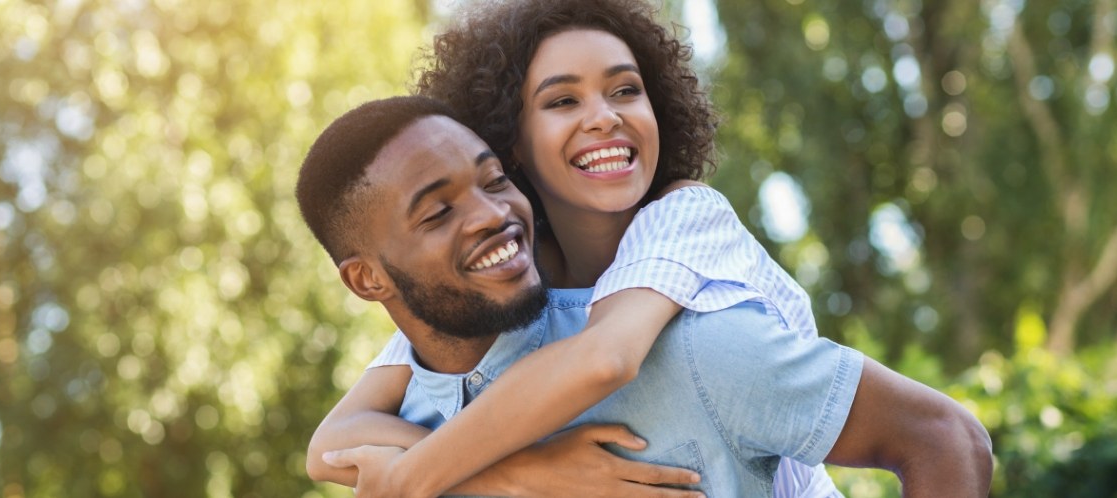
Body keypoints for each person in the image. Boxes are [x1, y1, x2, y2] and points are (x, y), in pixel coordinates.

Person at [306, 0, 992, 496]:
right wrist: (521, 473)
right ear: (512, 139)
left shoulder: (683, 227)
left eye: (625, 89)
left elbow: (604, 358)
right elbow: (333, 441)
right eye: (562, 101)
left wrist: (411, 480)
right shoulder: (503, 288)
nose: (604, 116)